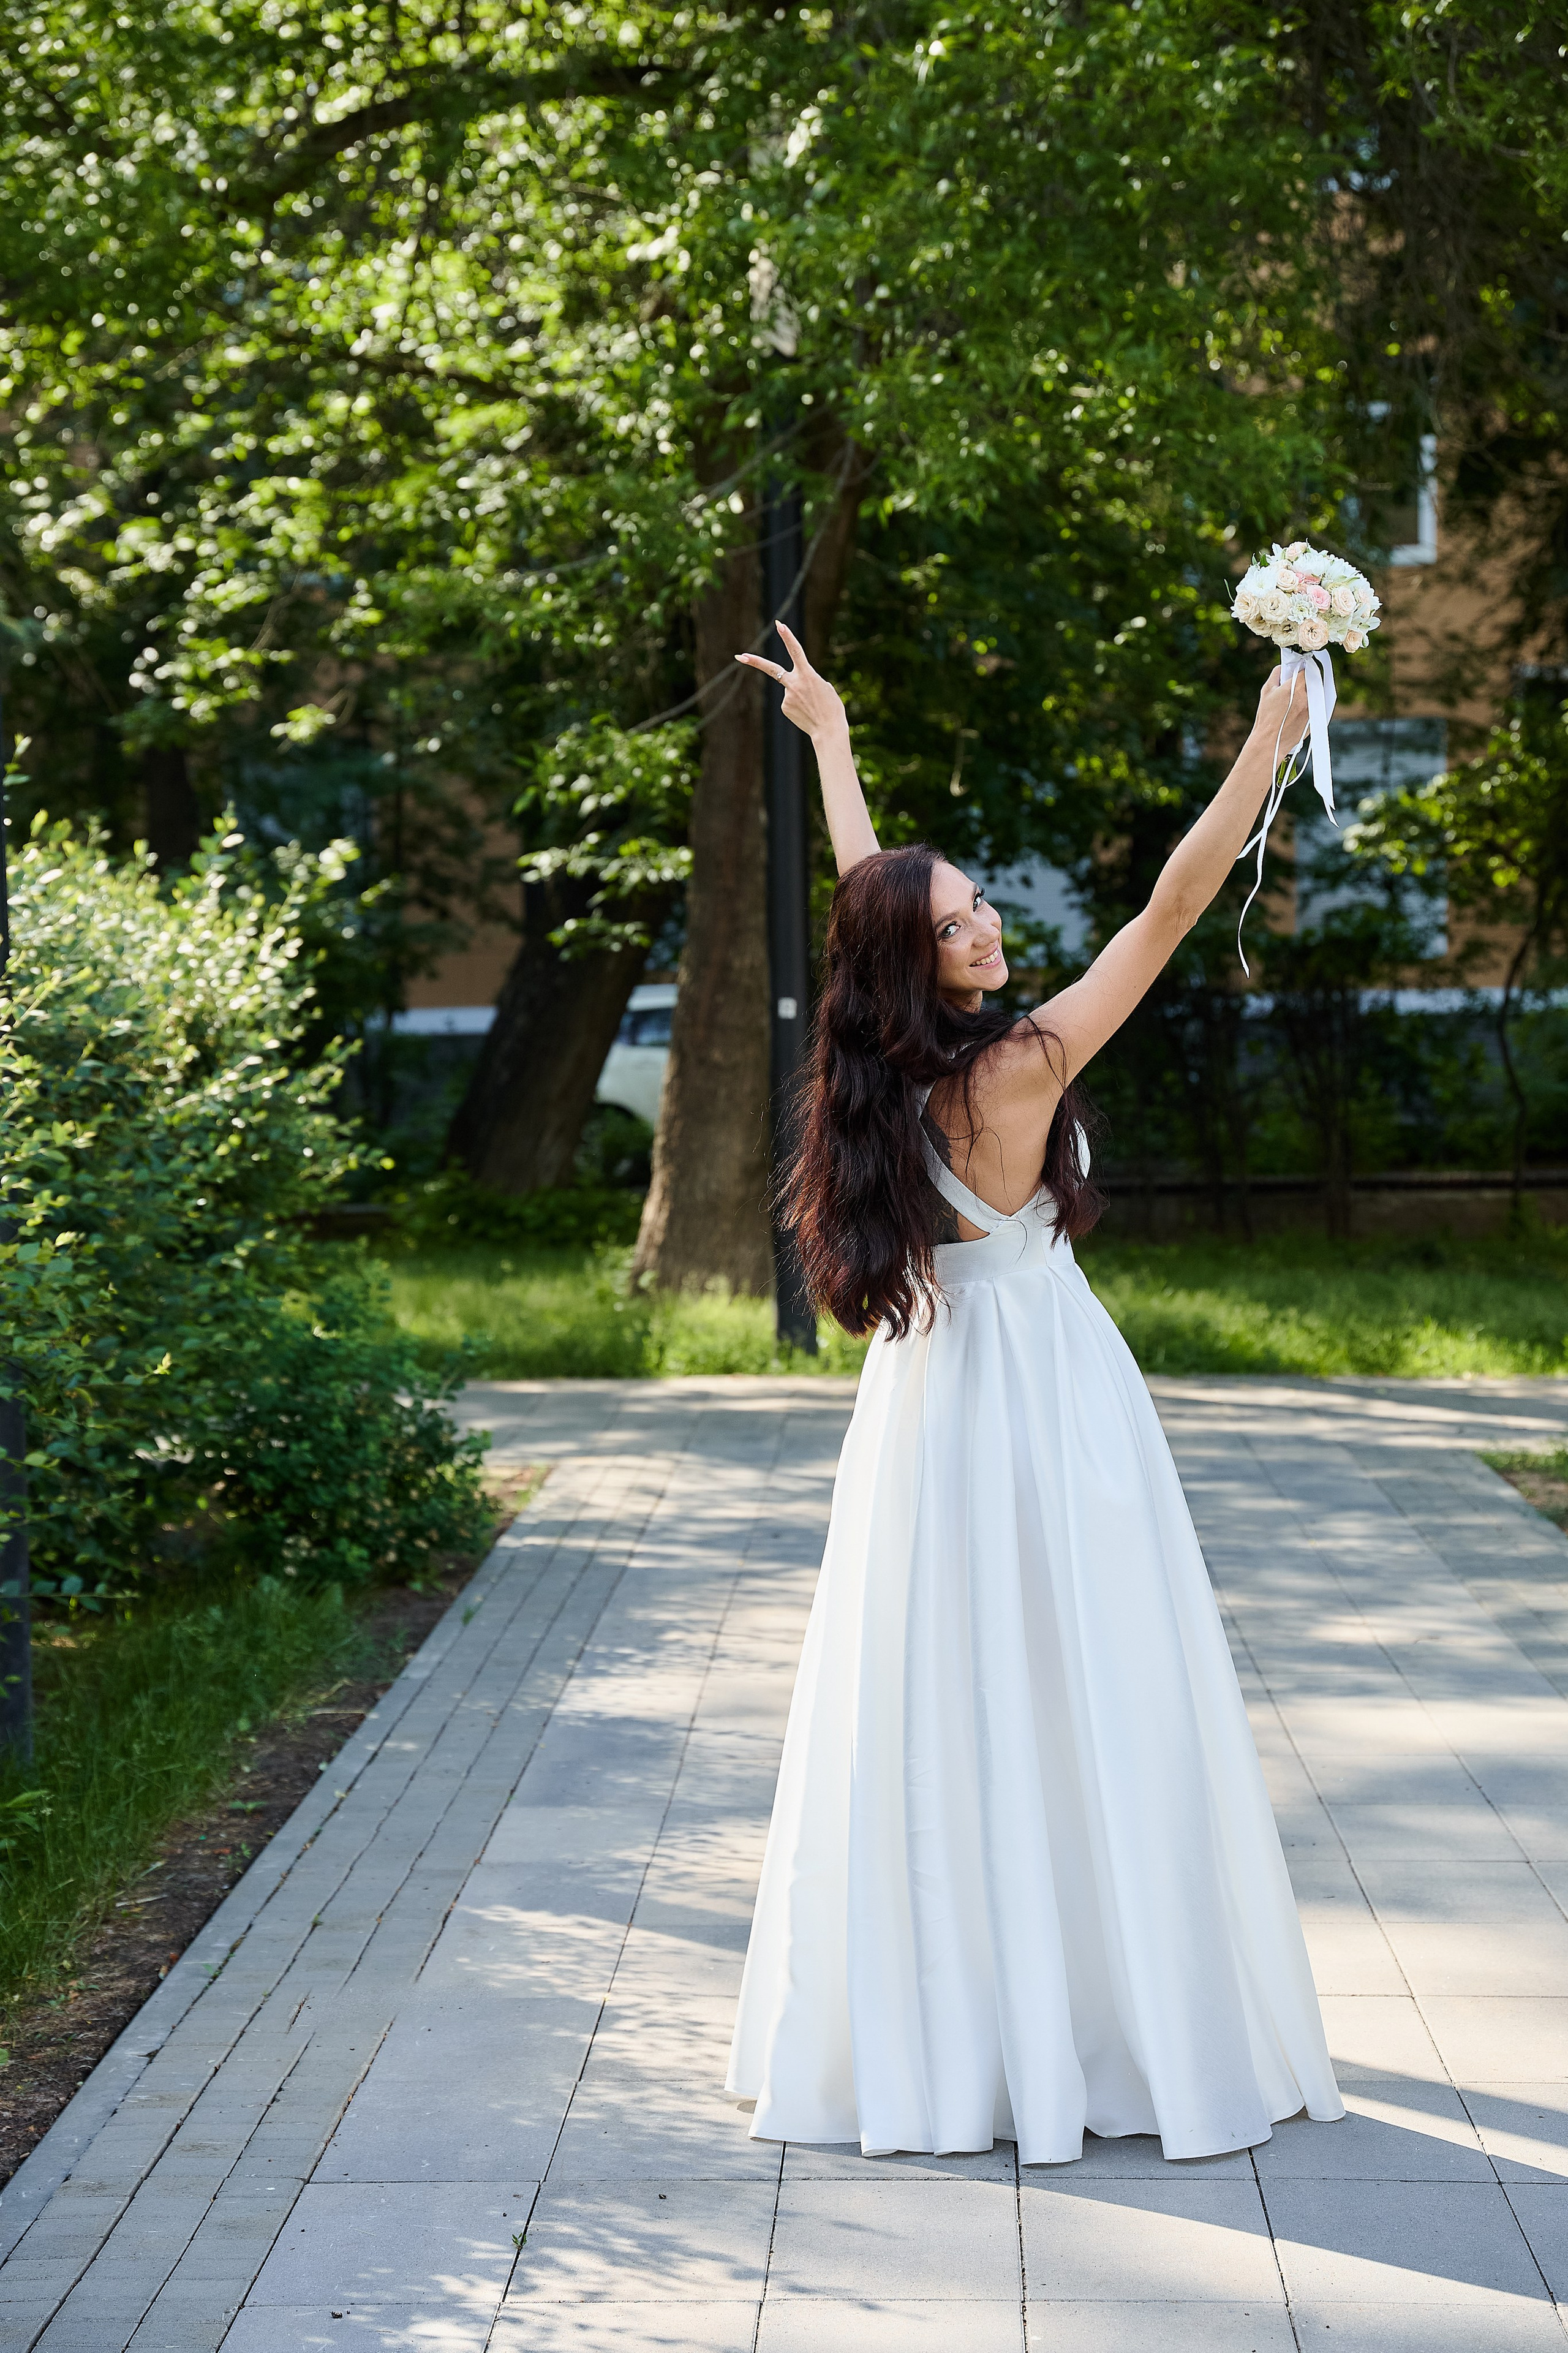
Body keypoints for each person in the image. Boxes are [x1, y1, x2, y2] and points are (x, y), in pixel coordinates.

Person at [723, 622, 1344, 2164]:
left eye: (982, 905)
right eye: (961, 925)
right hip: (1050, 1397)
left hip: (926, 1408)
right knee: (1094, 1684)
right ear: (915, 960)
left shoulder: (874, 1074)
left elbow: (872, 898)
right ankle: (1112, 2015)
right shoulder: (1021, 1072)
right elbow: (1173, 903)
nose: (988, 928)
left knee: (943, 1696)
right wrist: (1267, 739)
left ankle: (961, 2032)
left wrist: (833, 743)